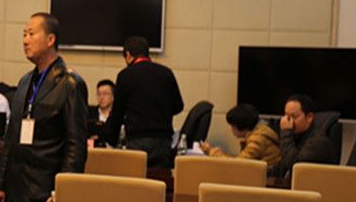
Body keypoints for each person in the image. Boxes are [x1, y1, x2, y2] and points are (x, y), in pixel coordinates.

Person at [0, 13, 88, 202]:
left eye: (31, 34)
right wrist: (0, 184)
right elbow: (11, 137)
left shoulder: (70, 83)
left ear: (50, 39)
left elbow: (76, 146)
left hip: (45, 192)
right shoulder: (25, 81)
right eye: (24, 34)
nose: (25, 40)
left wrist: (63, 191)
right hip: (15, 190)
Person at [105, 35, 183, 168]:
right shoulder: (166, 73)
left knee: (137, 179)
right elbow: (178, 106)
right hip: (162, 141)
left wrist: (111, 140)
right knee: (158, 179)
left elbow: (118, 113)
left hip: (137, 140)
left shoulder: (125, 75)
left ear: (128, 54)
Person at [200, 103, 280, 169]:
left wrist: (212, 151)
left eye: (233, 126)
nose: (231, 129)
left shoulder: (257, 140)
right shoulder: (259, 132)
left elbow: (238, 165)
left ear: (241, 125)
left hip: (267, 179)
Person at [275, 93, 336, 179]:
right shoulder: (296, 137)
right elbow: (282, 167)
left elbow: (295, 167)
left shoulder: (319, 142)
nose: (288, 121)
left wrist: (285, 133)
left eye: (293, 116)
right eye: (286, 116)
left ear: (309, 117)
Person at [88, 79, 115, 143]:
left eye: (105, 94)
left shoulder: (117, 115)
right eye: (99, 94)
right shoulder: (89, 113)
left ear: (113, 96)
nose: (101, 97)